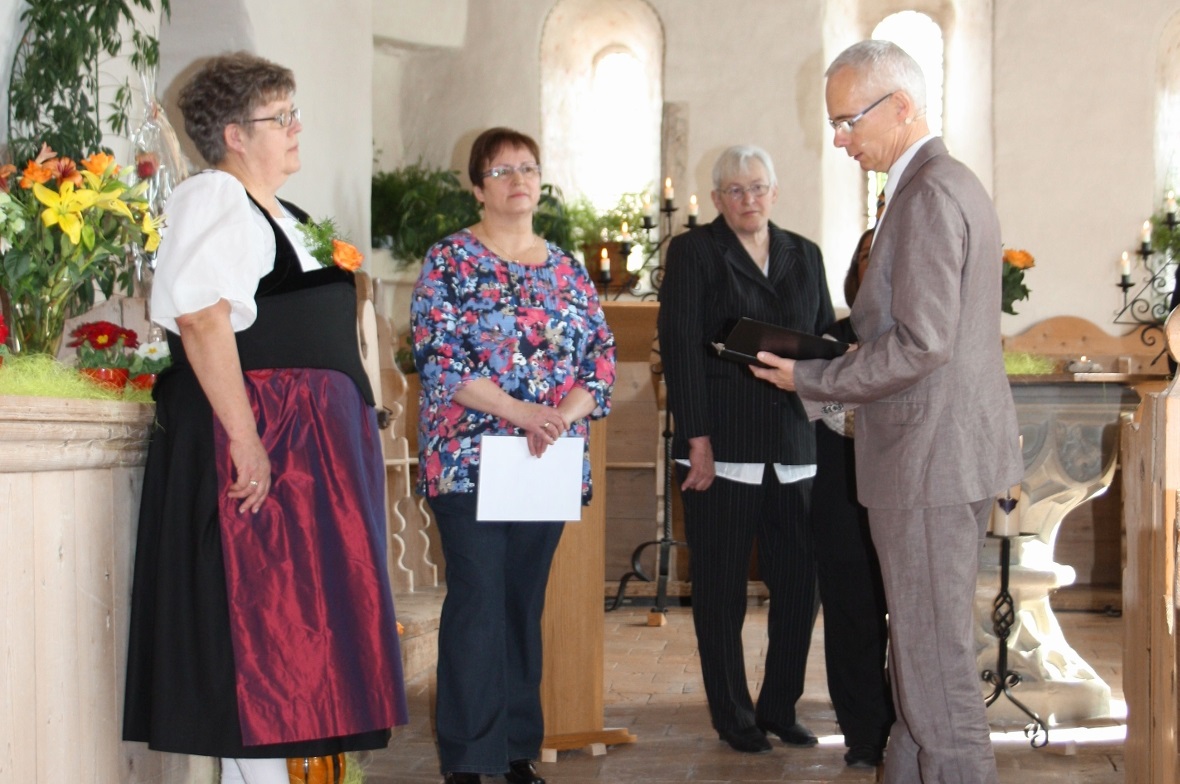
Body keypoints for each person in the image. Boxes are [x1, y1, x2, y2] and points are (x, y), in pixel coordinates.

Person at [122, 52, 408, 784]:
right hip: (266, 438)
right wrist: (246, 440)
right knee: (265, 640)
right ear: (232, 134)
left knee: (304, 648)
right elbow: (202, 318)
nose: (295, 127)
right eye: (279, 117)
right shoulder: (215, 196)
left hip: (314, 451)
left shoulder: (293, 217)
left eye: (292, 112)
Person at [751, 40, 1023, 783]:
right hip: (930, 455)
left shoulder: (931, 191)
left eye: (848, 121)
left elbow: (925, 341)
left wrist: (817, 375)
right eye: (834, 123)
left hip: (928, 459)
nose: (840, 139)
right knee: (918, 671)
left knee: (937, 684)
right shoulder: (933, 183)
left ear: (901, 107)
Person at [411, 127, 616, 784]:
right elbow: (440, 360)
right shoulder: (448, 261)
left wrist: (560, 416)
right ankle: (470, 759)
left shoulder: (566, 269)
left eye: (528, 168)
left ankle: (517, 750)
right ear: (477, 186)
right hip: (469, 458)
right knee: (478, 598)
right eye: (502, 170)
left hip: (543, 460)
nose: (518, 180)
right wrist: (521, 411)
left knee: (523, 603)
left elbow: (601, 362)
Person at [657, 144, 832, 755]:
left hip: (793, 445)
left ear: (775, 193)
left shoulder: (805, 254)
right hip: (721, 446)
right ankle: (733, 716)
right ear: (716, 200)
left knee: (798, 587)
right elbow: (680, 346)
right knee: (721, 590)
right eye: (734, 190)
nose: (747, 199)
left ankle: (780, 707)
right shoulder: (695, 252)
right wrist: (694, 439)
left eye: (757, 188)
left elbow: (823, 343)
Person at [806, 246, 894, 769]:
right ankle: (863, 732)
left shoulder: (918, 337)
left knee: (910, 622)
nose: (878, 262)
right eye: (868, 255)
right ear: (855, 272)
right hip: (842, 498)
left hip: (907, 494)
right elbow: (834, 417)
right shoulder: (828, 342)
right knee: (852, 618)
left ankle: (909, 724)